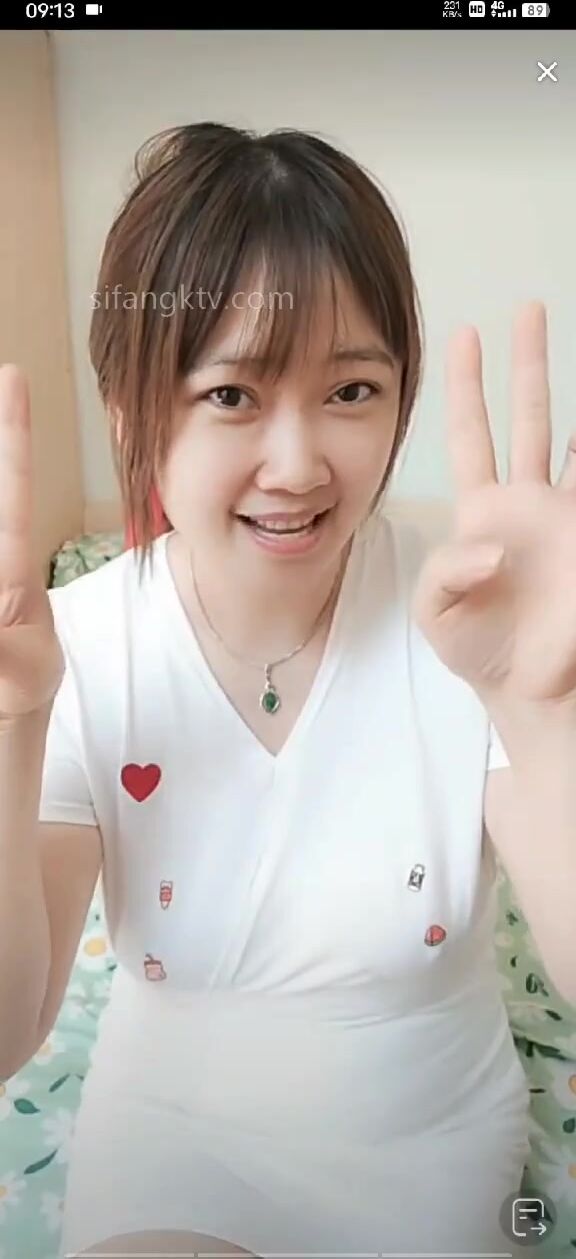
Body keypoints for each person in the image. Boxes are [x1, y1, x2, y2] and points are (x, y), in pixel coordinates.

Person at [0, 121, 574, 1259]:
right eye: (231, 395)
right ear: (130, 408)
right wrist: (11, 731)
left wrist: (546, 717)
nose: (301, 463)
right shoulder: (78, 644)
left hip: (426, 1145)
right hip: (171, 1138)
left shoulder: (474, 623)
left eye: (351, 388)